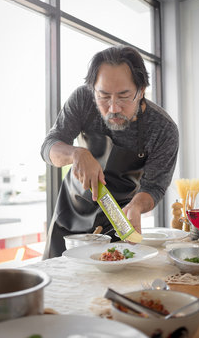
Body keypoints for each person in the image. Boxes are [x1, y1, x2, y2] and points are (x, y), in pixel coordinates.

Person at [41, 45, 179, 259]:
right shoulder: (83, 100)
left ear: (141, 90)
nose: (113, 107)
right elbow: (49, 145)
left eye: (123, 97)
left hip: (118, 221)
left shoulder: (163, 129)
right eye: (103, 96)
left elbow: (155, 186)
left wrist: (137, 205)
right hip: (69, 218)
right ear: (93, 89)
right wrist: (76, 153)